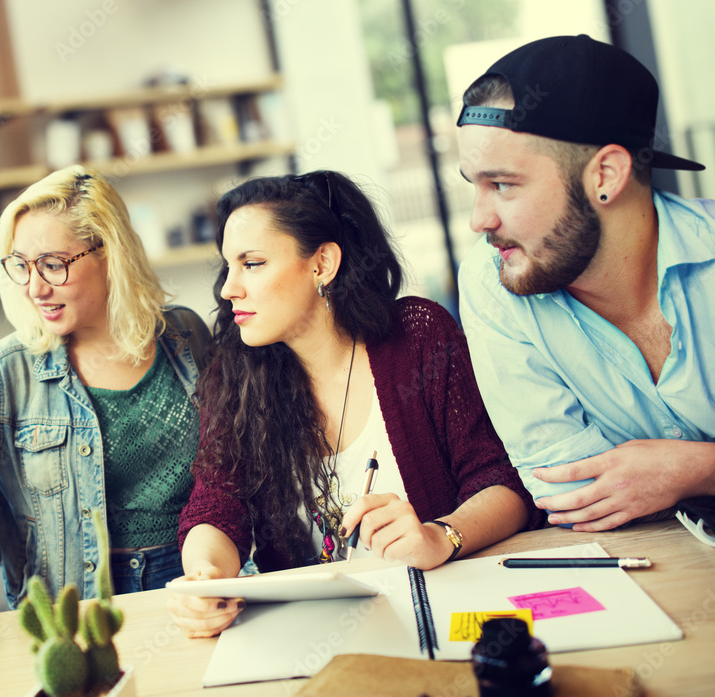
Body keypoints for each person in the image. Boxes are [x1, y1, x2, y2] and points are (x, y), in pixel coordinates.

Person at [168, 171, 542, 638]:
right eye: (229, 266)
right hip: (313, 634)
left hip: (442, 615)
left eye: (253, 263)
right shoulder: (235, 375)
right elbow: (215, 507)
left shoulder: (419, 337)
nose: (229, 288)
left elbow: (502, 482)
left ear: (322, 263)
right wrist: (204, 577)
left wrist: (440, 535)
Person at [0, 165, 210, 604]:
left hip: (197, 579)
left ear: (110, 252)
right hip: (81, 606)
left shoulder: (184, 335)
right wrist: (3, 548)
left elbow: (233, 461)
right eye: (22, 266)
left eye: (52, 265)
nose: (34, 288)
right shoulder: (3, 373)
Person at [456, 34, 715, 532]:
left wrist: (692, 470)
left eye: (502, 185)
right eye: (475, 185)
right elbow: (573, 496)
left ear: (607, 175)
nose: (478, 219)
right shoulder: (492, 284)